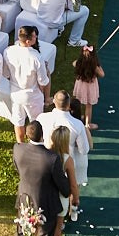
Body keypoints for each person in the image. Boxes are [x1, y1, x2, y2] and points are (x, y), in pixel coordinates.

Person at [9, 120, 71, 236]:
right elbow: (64, 188)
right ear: (42, 135)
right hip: (45, 204)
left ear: (27, 135)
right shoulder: (51, 158)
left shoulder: (18, 148)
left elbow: (18, 168)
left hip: (25, 199)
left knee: (21, 233)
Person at [37, 90, 91, 218]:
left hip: (45, 159)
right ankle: (71, 210)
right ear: (68, 105)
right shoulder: (77, 124)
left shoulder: (42, 117)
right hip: (66, 161)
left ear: (54, 102)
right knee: (71, 185)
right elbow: (84, 150)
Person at [70, 45, 103, 135]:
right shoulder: (95, 66)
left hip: (81, 86)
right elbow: (102, 74)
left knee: (78, 102)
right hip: (90, 88)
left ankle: (76, 119)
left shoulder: (79, 63)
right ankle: (87, 124)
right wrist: (98, 65)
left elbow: (73, 63)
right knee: (89, 105)